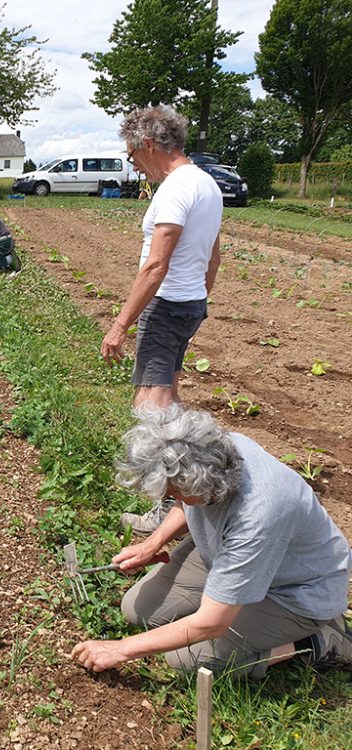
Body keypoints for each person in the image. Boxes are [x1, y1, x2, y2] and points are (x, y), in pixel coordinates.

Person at [71, 406, 352, 678]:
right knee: (137, 609)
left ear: (202, 486)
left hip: (294, 591)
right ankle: (230, 604)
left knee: (186, 659)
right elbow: (187, 502)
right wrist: (151, 544)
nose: (171, 501)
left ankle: (319, 641)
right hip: (223, 552)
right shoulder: (209, 448)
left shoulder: (259, 514)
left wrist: (120, 649)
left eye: (175, 494)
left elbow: (211, 624)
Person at [101, 106, 224, 534]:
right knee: (169, 398)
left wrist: (120, 325)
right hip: (188, 304)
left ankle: (170, 507)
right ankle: (187, 497)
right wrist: (199, 298)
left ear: (149, 145)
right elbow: (213, 254)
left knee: (150, 410)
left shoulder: (174, 189)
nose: (136, 166)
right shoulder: (206, 184)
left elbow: (156, 266)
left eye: (134, 157)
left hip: (168, 305)